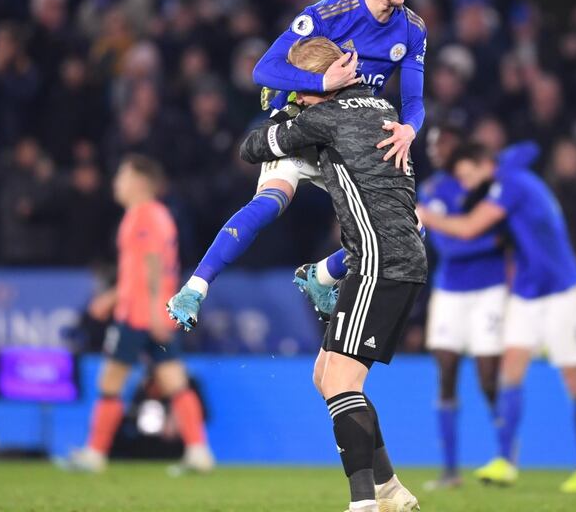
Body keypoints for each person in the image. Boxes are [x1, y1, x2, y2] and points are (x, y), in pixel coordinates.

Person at [180, 36, 424, 512]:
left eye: (296, 88)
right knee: (325, 374)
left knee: (340, 383)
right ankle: (391, 490)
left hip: (379, 262)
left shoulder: (322, 117)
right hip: (387, 254)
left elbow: (252, 147)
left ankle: (364, 505)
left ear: (310, 86)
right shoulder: (379, 105)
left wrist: (284, 119)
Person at [166, 0, 427, 323]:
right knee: (270, 203)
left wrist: (409, 129)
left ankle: (321, 276)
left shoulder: (412, 29)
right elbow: (263, 70)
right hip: (299, 122)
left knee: (411, 227)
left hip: (350, 134)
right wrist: (322, 83)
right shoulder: (330, 13)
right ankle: (194, 289)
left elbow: (415, 102)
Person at [418, 142, 576, 494]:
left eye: (467, 175)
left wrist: (425, 215)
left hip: (561, 289)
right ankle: (504, 460)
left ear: (482, 163)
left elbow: (471, 227)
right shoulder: (507, 176)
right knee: (510, 372)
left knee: (575, 380)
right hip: (526, 291)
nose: (467, 185)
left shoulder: (512, 182)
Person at [63, 155, 213, 475]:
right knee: (174, 380)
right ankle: (199, 452)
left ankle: (95, 454)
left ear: (139, 182)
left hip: (138, 317)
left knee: (111, 380)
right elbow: (139, 270)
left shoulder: (145, 214)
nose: (117, 182)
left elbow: (154, 264)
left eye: (122, 175)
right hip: (147, 311)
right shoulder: (152, 214)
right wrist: (112, 296)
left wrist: (157, 309)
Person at [419, 125, 506, 490]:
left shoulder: (487, 183)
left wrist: (469, 232)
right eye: (431, 144)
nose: (437, 150)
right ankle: (450, 470)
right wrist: (485, 237)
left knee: (488, 376)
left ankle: (505, 458)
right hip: (450, 290)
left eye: (444, 142)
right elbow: (449, 247)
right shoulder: (431, 190)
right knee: (446, 372)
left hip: (490, 288)